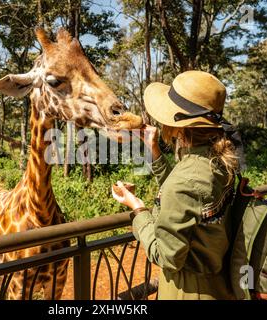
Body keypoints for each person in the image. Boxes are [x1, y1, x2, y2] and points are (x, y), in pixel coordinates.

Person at [112, 70, 245, 300]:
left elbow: (166, 255)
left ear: (180, 125)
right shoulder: (221, 161)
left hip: (188, 291)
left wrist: (138, 209)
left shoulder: (186, 178)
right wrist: (154, 152)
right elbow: (187, 201)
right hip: (219, 284)